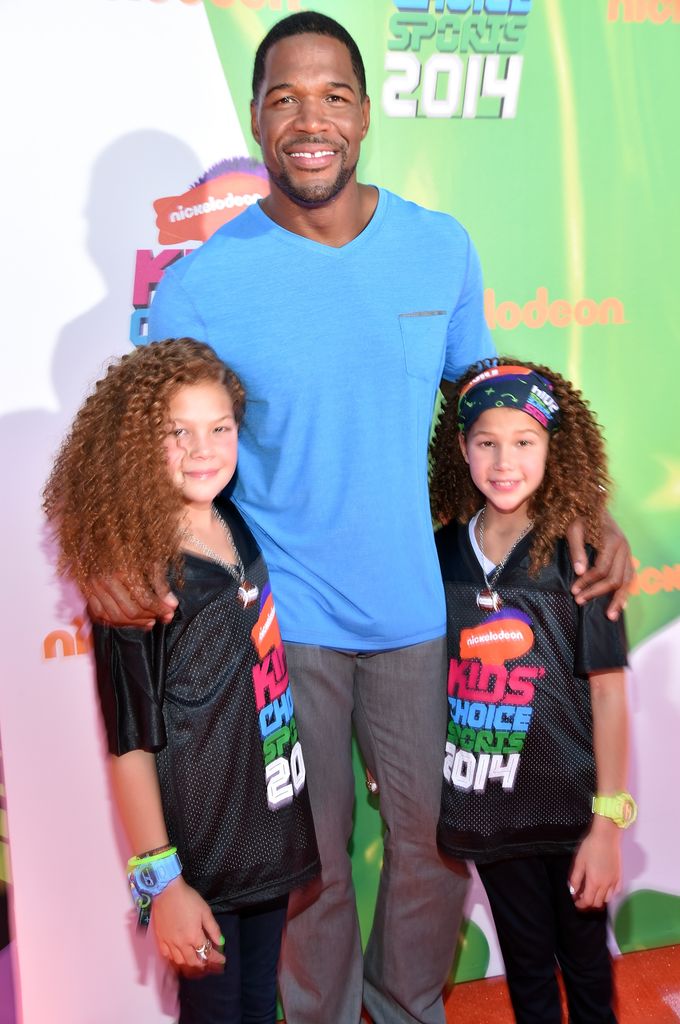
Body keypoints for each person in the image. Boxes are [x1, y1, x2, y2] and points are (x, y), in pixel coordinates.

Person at [87, 13, 632, 1024]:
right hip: (275, 628)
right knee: (310, 864)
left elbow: (491, 407)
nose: (309, 118)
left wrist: (579, 509)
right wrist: (109, 553)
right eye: (283, 97)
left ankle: (402, 1004)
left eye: (332, 94)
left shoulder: (436, 248)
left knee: (436, 840)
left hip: (418, 615)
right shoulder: (201, 285)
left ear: (364, 114)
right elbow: (136, 453)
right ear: (254, 116)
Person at [43, 338, 319, 1024]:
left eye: (219, 428)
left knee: (260, 1005)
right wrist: (163, 881)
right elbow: (131, 744)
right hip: (199, 862)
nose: (205, 449)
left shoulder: (235, 521)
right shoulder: (132, 581)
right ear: (138, 443)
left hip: (269, 838)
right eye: (180, 433)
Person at [431, 358, 635, 1024]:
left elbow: (607, 694)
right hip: (488, 811)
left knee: (585, 966)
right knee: (526, 967)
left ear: (554, 448)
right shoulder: (439, 555)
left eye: (525, 441)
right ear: (462, 449)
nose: (504, 460)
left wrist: (608, 820)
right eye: (487, 441)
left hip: (573, 813)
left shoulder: (582, 555)